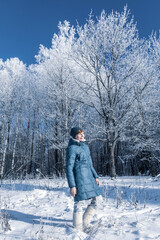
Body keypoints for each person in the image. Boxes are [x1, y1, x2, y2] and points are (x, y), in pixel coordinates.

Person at [66, 127, 101, 232]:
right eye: (79, 134)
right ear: (74, 136)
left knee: (98, 200)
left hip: (89, 178)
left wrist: (96, 176)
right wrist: (72, 185)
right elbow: (69, 167)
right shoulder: (71, 148)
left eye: (82, 133)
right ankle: (78, 228)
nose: (82, 136)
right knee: (79, 203)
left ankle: (85, 222)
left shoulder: (86, 147)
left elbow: (90, 164)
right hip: (79, 179)